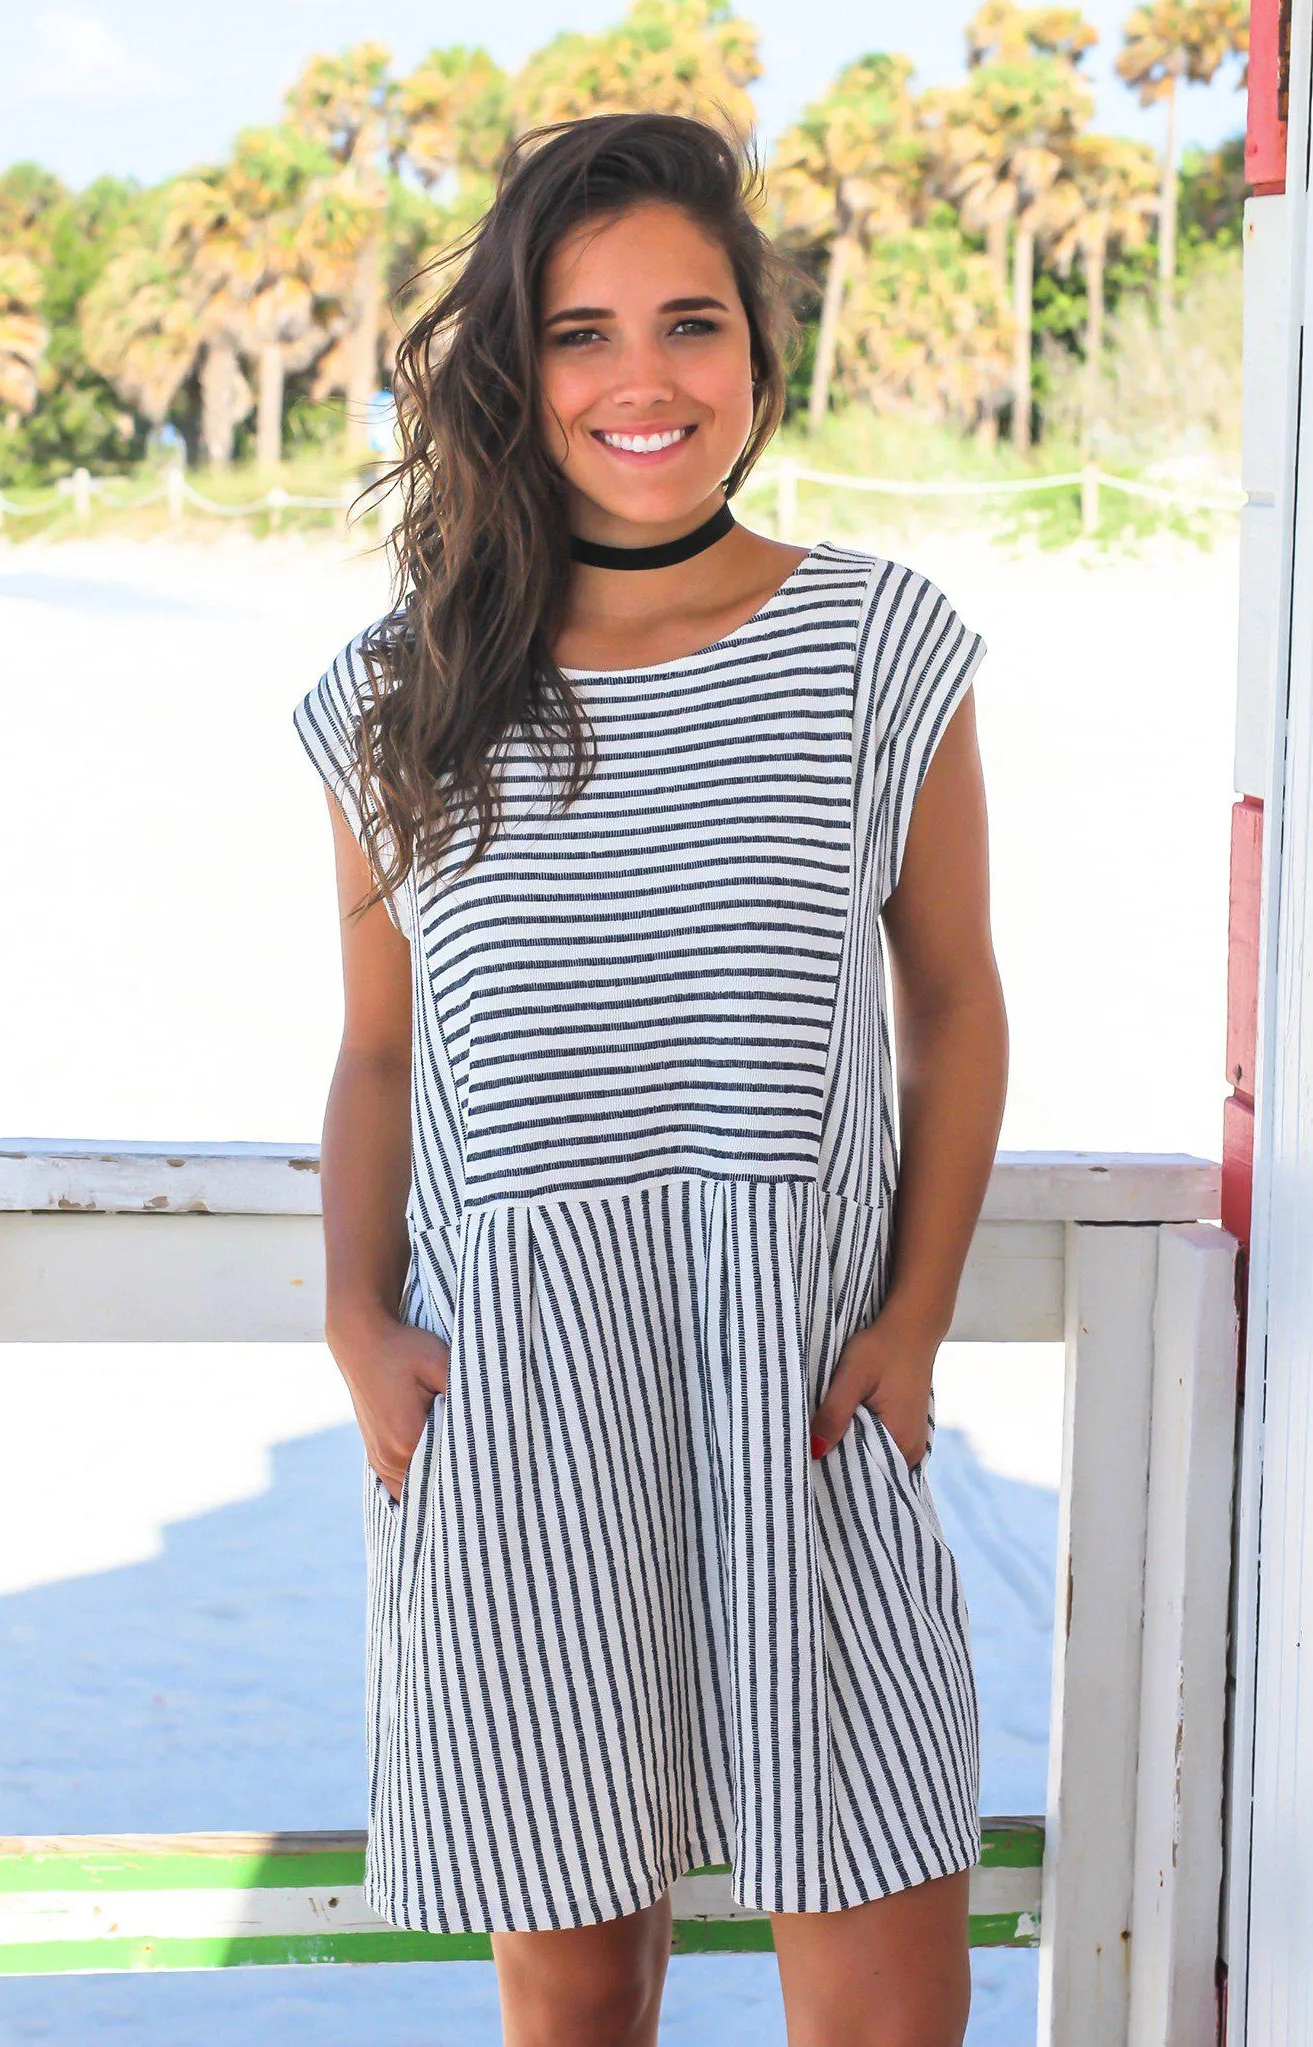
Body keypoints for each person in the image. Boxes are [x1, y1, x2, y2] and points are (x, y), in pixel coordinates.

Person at [293, 108, 1009, 2047]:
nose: (640, 380)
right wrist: (355, 1321)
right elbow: (374, 1051)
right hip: (523, 1417)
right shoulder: (403, 695)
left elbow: (953, 1006)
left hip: (804, 1399)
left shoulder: (879, 645)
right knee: (578, 2002)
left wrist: (916, 1323)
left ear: (761, 358)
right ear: (516, 376)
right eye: (581, 332)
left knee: (876, 1981)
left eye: (689, 323)